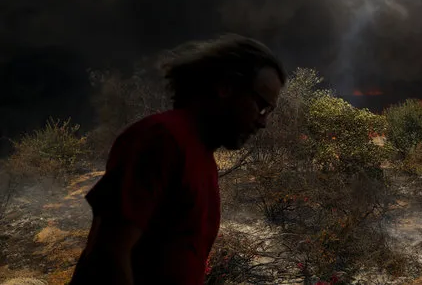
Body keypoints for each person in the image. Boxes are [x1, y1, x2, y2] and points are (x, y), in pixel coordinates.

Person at [69, 34, 286, 285]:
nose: (263, 122)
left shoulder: (201, 155)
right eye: (261, 106)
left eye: (269, 111)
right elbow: (108, 255)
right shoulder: (162, 138)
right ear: (225, 87)